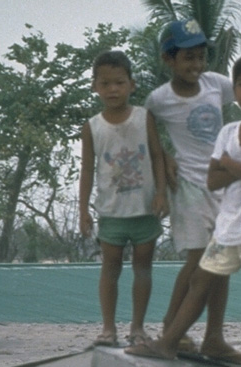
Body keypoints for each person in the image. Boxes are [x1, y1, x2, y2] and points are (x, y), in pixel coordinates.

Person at [127, 53, 241, 367]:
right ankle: (168, 344)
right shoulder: (228, 131)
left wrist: (231, 163)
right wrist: (237, 165)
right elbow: (215, 180)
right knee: (200, 281)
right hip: (228, 226)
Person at [145, 18, 241, 366]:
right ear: (168, 60)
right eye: (188, 57)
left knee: (221, 262)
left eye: (201, 56)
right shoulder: (159, 100)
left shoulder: (216, 85)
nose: (196, 65)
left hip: (221, 183)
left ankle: (214, 337)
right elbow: (143, 133)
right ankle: (171, 326)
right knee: (198, 260)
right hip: (188, 186)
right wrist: (166, 156)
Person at [78, 50, 168, 349]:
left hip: (144, 210)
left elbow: (157, 156)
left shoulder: (144, 118)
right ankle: (107, 328)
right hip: (111, 212)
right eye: (105, 83)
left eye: (119, 82)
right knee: (110, 267)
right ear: (95, 87)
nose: (113, 89)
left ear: (131, 84)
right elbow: (87, 170)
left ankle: (138, 327)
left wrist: (161, 193)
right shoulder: (92, 126)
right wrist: (83, 210)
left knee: (143, 268)